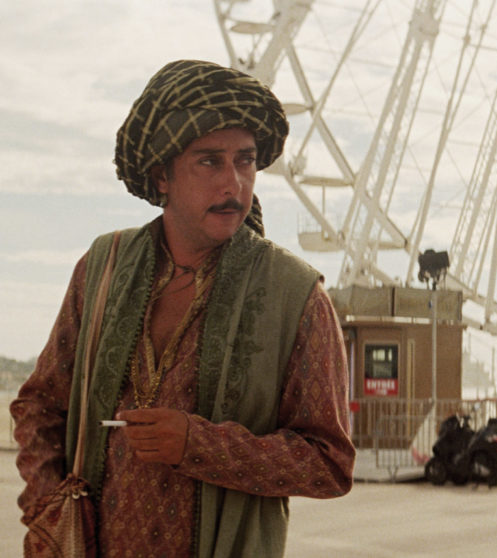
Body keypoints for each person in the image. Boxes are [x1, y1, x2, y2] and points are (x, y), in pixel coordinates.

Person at [11, 59, 355, 557]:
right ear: (161, 175)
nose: (233, 184)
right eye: (210, 162)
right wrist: (49, 507)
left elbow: (329, 464)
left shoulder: (295, 294)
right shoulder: (103, 268)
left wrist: (198, 445)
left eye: (245, 161)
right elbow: (40, 406)